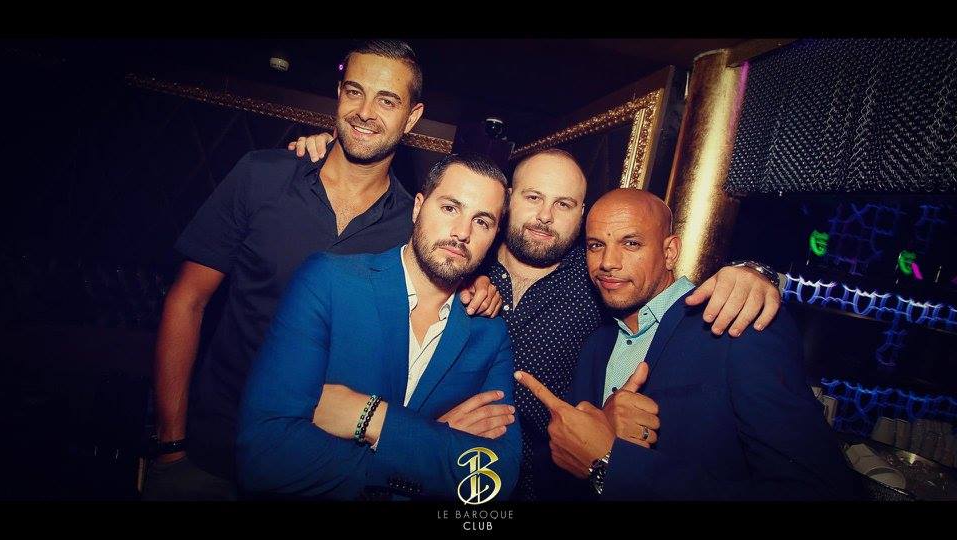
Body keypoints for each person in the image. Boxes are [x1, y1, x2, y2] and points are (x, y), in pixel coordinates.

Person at [292, 139, 785, 500]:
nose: (545, 216)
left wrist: (754, 273)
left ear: (581, 214)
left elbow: (657, 279)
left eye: (563, 204)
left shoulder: (600, 285)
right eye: (532, 197)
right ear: (507, 201)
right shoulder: (455, 267)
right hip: (427, 479)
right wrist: (329, 154)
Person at [145, 40, 503, 500]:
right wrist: (170, 444)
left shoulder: (414, 228)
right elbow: (187, 300)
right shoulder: (262, 177)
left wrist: (474, 280)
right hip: (211, 452)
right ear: (338, 94)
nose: (365, 112)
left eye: (387, 100)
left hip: (326, 468)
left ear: (412, 117)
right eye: (355, 92)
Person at [516, 188, 856, 500]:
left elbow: (818, 491)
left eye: (631, 243)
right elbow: (570, 465)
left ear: (670, 252)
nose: (608, 262)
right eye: (595, 245)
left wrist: (613, 462)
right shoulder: (597, 345)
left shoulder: (736, 321)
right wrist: (595, 436)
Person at [238, 153, 520, 500]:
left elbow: (496, 479)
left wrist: (372, 418)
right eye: (450, 208)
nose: (462, 232)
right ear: (418, 207)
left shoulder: (489, 333)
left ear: (494, 236)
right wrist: (433, 441)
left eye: (482, 222)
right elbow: (262, 455)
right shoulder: (329, 281)